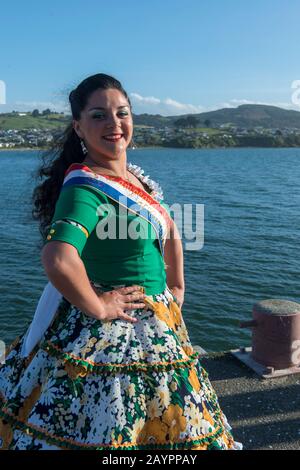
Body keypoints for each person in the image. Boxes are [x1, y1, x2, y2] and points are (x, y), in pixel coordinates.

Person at [0, 73, 242, 451]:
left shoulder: (134, 178)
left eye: (122, 113)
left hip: (158, 317)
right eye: (98, 116)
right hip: (112, 330)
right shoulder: (84, 188)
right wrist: (98, 305)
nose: (114, 124)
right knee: (112, 428)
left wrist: (176, 286)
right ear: (78, 126)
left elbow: (169, 228)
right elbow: (59, 259)